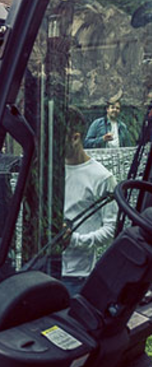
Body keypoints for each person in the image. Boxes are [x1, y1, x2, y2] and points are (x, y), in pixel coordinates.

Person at [63, 106, 117, 296]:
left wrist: (74, 240)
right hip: (41, 268)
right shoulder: (47, 171)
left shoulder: (102, 178)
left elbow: (111, 230)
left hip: (77, 276)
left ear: (75, 138)